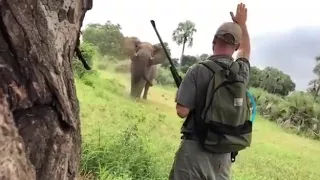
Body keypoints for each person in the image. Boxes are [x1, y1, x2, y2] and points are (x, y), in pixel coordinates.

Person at [169, 3, 251, 180]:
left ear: (213, 41)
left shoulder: (197, 70)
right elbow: (246, 50)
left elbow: (182, 111)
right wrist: (242, 24)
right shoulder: (242, 72)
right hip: (224, 156)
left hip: (195, 150)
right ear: (235, 47)